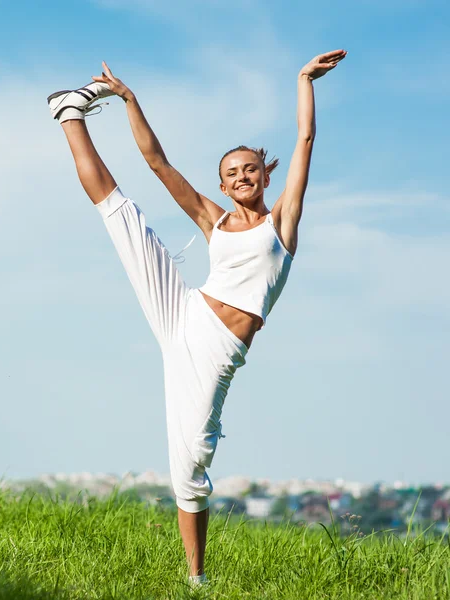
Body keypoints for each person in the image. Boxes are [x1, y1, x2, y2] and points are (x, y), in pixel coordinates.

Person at [47, 49, 347, 586]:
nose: (241, 177)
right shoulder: (214, 219)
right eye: (231, 173)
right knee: (123, 218)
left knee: (190, 466)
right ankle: (69, 114)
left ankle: (195, 579)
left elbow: (304, 140)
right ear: (225, 184)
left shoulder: (282, 222)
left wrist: (304, 79)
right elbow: (158, 162)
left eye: (249, 168)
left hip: (214, 352)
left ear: (263, 173)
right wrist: (129, 99)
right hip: (184, 312)